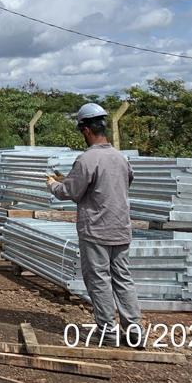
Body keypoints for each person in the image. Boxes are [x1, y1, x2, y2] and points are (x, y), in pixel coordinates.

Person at [47, 103, 141, 340]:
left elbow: (70, 192)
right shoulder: (121, 158)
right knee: (123, 279)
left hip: (96, 230)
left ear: (86, 130)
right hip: (120, 227)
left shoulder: (87, 159)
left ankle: (108, 332)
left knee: (99, 280)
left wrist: (53, 184)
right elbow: (119, 183)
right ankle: (134, 331)